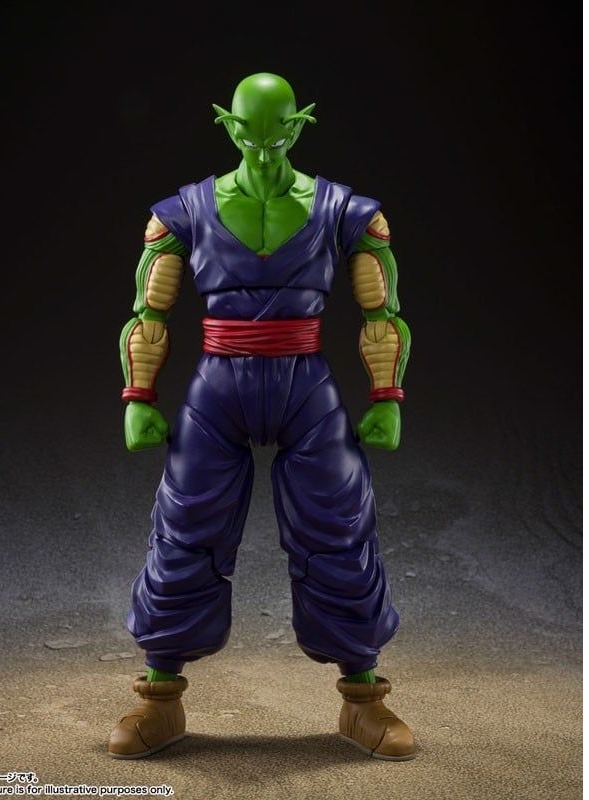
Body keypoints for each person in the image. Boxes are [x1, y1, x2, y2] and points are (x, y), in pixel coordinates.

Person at [109, 73, 414, 761]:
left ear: (300, 125)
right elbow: (149, 308)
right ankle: (159, 696)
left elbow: (381, 309)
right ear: (227, 124)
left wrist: (387, 398)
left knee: (340, 527)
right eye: (249, 132)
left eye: (278, 132)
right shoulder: (185, 211)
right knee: (184, 527)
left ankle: (364, 698)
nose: (264, 146)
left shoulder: (344, 210)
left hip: (306, 383)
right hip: (218, 385)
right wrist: (138, 397)